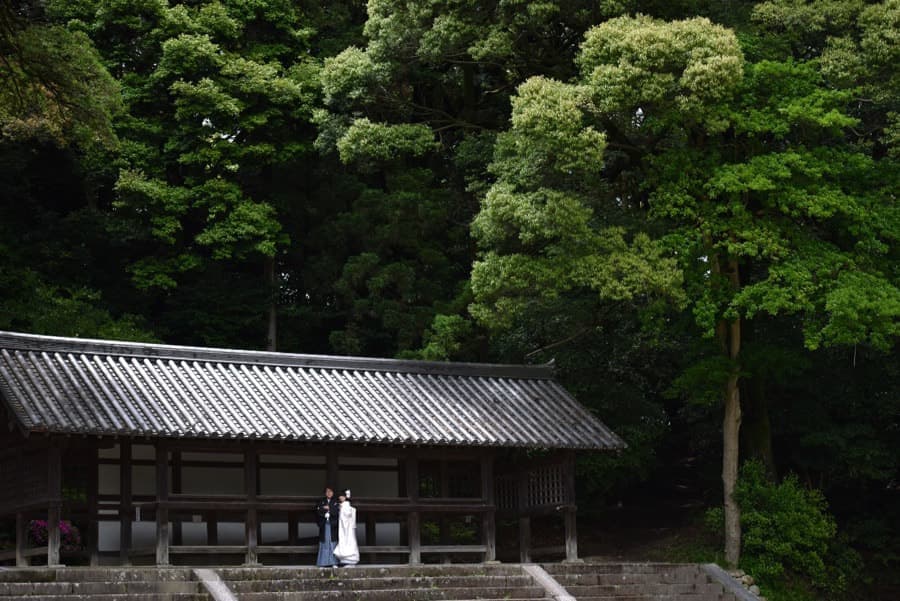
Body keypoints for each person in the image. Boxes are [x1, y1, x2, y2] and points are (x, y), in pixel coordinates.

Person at [333, 489, 359, 566]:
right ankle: (344, 560)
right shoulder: (341, 505)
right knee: (343, 541)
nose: (341, 497)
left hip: (347, 527)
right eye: (340, 496)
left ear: (345, 497)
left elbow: (347, 515)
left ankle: (351, 560)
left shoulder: (347, 505)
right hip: (342, 526)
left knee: (349, 541)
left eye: (342, 496)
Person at [315, 486, 339, 567]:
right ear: (325, 493)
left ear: (333, 493)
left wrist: (329, 508)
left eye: (330, 491)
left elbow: (336, 511)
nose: (329, 493)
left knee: (333, 543)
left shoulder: (336, 501)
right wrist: (324, 512)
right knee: (324, 543)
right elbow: (318, 509)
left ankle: (334, 562)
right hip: (324, 524)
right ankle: (323, 563)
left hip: (332, 525)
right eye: (327, 491)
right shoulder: (321, 501)